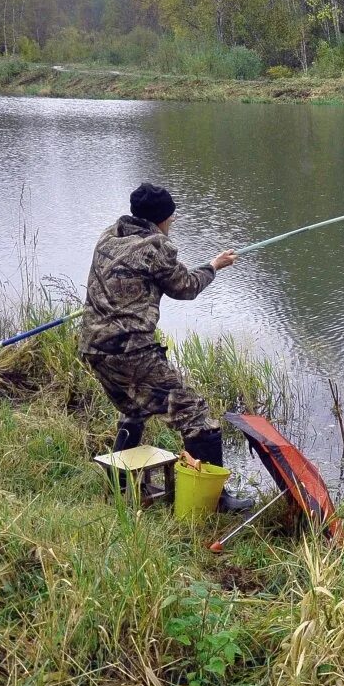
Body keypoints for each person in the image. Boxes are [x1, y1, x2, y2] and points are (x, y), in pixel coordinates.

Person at [79, 182, 256, 512]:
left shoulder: (110, 235)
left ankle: (120, 485)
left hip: (92, 346)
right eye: (171, 219)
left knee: (135, 409)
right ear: (161, 219)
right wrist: (214, 266)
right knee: (198, 417)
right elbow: (185, 287)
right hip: (130, 350)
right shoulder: (156, 245)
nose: (172, 223)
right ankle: (213, 501)